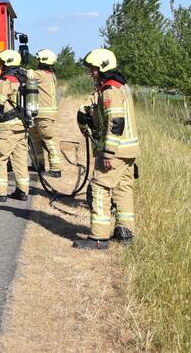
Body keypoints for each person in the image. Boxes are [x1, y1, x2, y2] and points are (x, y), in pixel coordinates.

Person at [73, 48, 140, 250]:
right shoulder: (120, 85)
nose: (91, 72)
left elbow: (116, 121)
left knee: (100, 187)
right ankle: (125, 232)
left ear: (102, 67)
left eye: (93, 69)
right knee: (123, 189)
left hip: (116, 151)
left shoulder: (110, 90)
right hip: (128, 150)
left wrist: (108, 152)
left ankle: (99, 238)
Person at [0, 49, 31, 202]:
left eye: (2, 63)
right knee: (20, 159)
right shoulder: (23, 78)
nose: (0, 65)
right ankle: (22, 191)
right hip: (22, 125)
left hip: (8, 127)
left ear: (7, 63)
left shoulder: (7, 80)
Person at [28, 49, 65, 177]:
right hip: (42, 113)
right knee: (35, 139)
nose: (37, 62)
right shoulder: (51, 74)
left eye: (38, 60)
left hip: (44, 114)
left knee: (48, 140)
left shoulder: (41, 74)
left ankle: (56, 169)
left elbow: (27, 75)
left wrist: (15, 68)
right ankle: (38, 164)